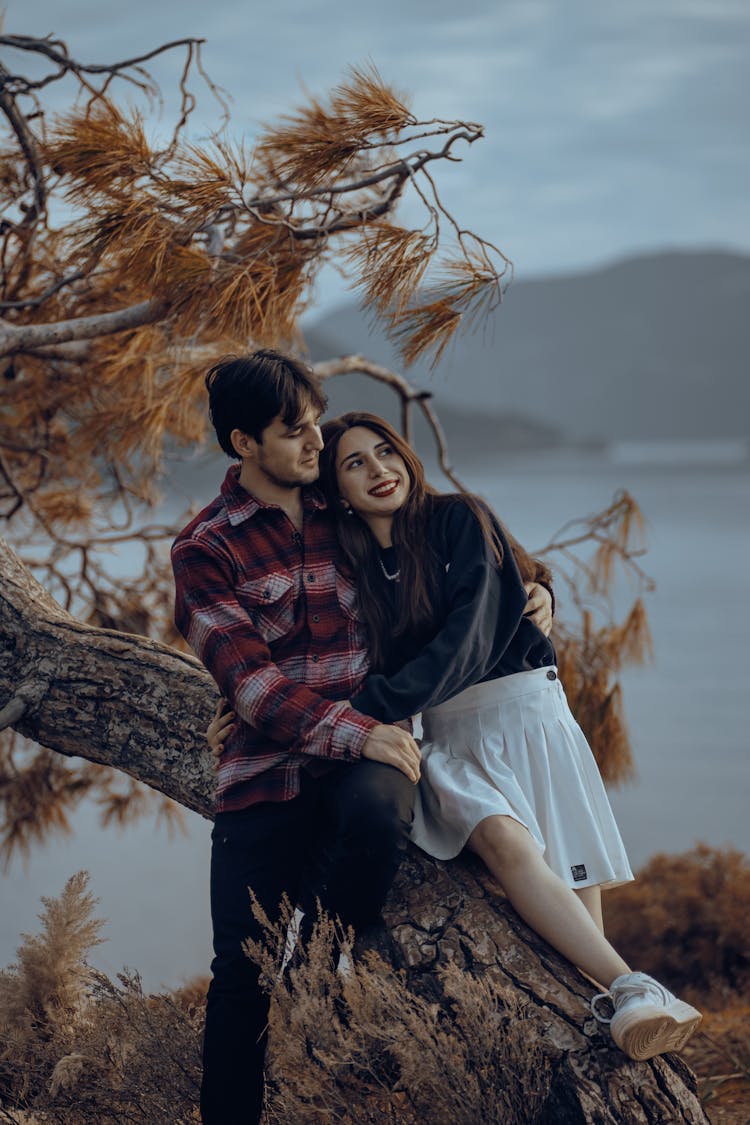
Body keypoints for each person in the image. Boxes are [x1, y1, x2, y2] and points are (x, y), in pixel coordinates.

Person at [210, 409, 702, 1063]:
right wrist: (248, 702)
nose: (378, 469)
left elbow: (465, 641)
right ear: (336, 487)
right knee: (504, 841)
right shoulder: (352, 566)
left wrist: (356, 706)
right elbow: (306, 642)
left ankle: (622, 1006)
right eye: (354, 462)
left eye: (385, 451)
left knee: (578, 913)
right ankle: (635, 988)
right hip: (444, 735)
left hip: (527, 719)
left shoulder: (459, 518)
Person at [171, 354, 424, 1125]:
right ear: (244, 442)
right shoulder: (203, 548)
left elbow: (441, 535)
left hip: (359, 774)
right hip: (264, 775)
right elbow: (252, 689)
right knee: (238, 977)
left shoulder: (341, 502)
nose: (316, 440)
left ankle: (334, 960)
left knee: (382, 810)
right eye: (294, 430)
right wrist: (357, 732)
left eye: (317, 420)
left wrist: (535, 582)